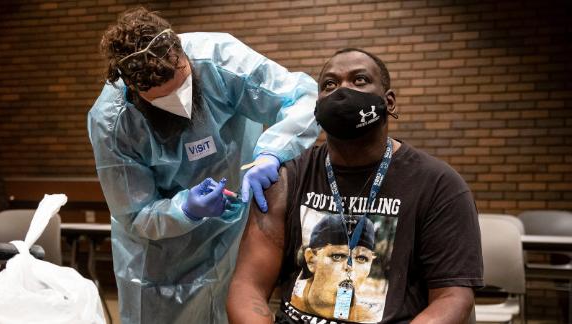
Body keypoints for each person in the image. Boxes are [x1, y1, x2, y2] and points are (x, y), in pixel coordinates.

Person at [87, 6, 320, 324]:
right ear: (134, 90)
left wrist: (272, 152)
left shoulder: (220, 60)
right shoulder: (113, 123)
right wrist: (187, 209)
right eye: (164, 97)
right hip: (159, 257)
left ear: (182, 53)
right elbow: (135, 213)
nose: (180, 101)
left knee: (230, 306)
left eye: (182, 82)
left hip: (233, 228)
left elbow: (302, 97)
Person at [227, 48, 483, 324]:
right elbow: (247, 287)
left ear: (390, 102)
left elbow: (452, 298)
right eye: (329, 84)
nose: (341, 91)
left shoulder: (439, 185)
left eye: (359, 80)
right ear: (316, 108)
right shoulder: (286, 179)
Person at [290, 215, 379, 323]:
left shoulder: (369, 318)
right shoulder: (292, 300)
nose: (350, 267)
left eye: (361, 258)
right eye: (337, 256)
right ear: (311, 260)